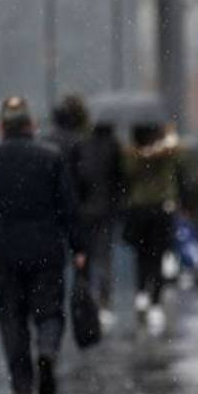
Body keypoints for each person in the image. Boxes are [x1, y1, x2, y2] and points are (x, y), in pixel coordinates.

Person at [0, 96, 85, 394]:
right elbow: (68, 207)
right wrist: (79, 247)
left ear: (2, 127)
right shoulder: (51, 158)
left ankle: (22, 387)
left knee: (12, 319)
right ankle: (46, 351)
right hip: (47, 249)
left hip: (6, 251)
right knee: (49, 312)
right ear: (32, 126)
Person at [123, 122, 180, 334]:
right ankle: (155, 302)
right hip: (160, 208)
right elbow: (175, 150)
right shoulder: (165, 153)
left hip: (139, 209)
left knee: (142, 256)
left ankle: (142, 295)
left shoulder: (132, 155)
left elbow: (126, 175)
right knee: (157, 256)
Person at [75, 123, 127, 325]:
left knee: (85, 257)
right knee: (104, 256)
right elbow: (120, 179)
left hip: (86, 210)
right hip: (106, 210)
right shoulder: (114, 147)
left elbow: (79, 177)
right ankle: (104, 302)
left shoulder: (83, 145)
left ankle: (85, 300)